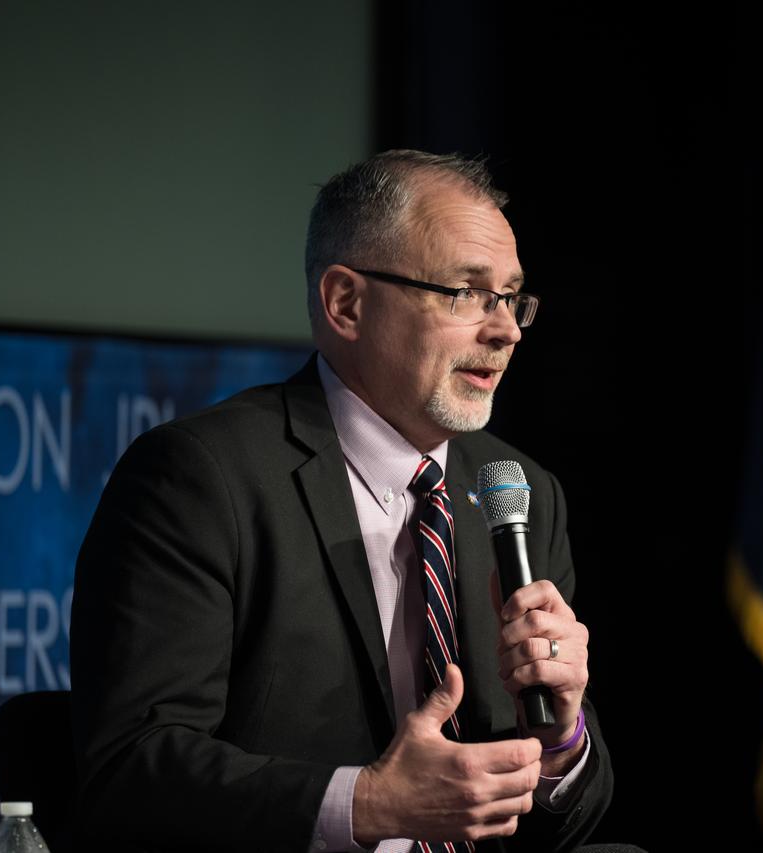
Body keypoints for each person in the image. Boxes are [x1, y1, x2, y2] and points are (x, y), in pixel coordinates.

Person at [70, 150, 614, 852]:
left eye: (511, 297)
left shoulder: (521, 491)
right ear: (346, 303)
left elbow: (569, 823)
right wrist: (365, 804)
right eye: (465, 292)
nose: (505, 329)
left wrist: (562, 737)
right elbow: (130, 770)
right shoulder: (201, 479)